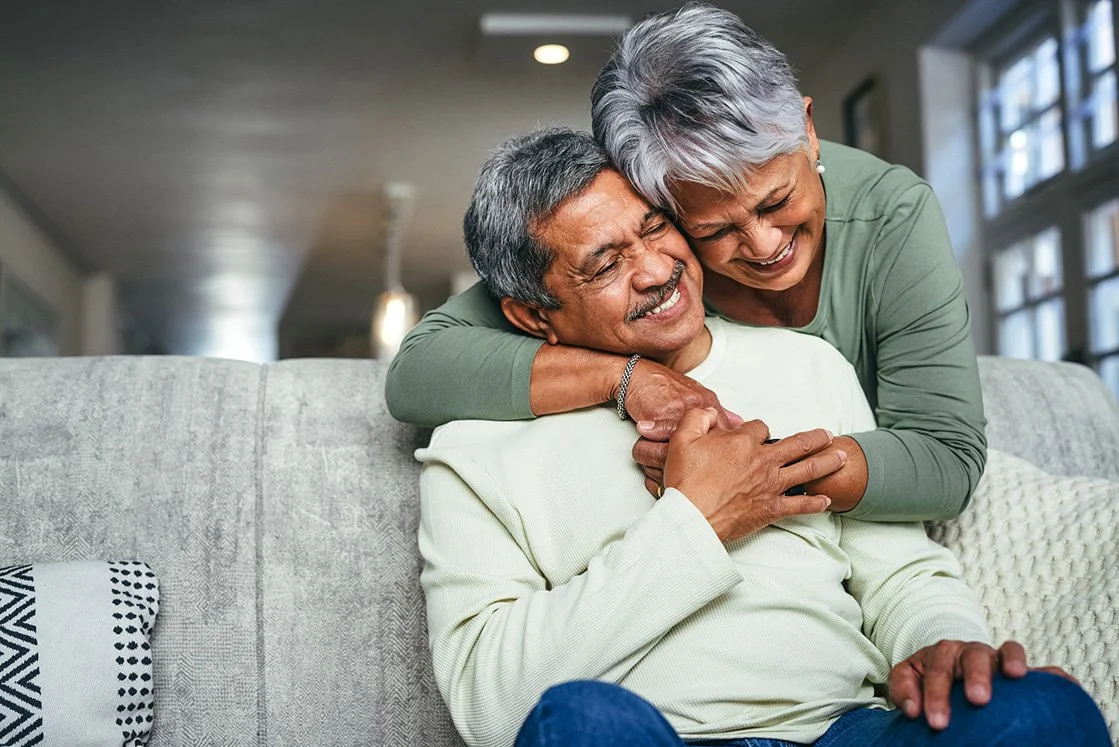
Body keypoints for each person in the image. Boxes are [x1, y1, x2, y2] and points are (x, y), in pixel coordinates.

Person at [416, 128, 1109, 747]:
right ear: (532, 316)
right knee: (578, 722)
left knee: (1040, 710)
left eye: (656, 227)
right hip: (652, 732)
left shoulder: (804, 362)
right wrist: (697, 522)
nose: (656, 270)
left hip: (844, 729)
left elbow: (898, 571)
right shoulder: (472, 448)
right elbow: (488, 702)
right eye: (602, 265)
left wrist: (941, 646)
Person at [389, 3, 986, 522]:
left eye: (777, 201)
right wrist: (630, 379)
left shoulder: (894, 213)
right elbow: (419, 370)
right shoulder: (648, 229)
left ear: (807, 130)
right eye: (714, 229)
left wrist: (742, 469)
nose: (761, 244)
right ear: (657, 200)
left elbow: (947, 459)